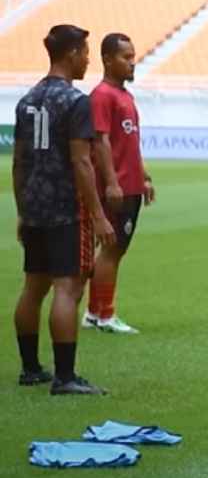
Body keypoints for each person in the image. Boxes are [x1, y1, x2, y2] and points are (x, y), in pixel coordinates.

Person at [12, 24, 115, 395]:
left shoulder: (27, 100)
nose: (88, 58)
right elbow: (82, 163)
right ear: (71, 53)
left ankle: (29, 369)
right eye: (85, 52)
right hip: (66, 207)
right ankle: (65, 377)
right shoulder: (75, 101)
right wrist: (99, 215)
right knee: (68, 288)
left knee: (33, 286)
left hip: (35, 205)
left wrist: (22, 210)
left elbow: (19, 163)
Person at [84, 33, 155, 334]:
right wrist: (112, 184)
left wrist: (145, 176)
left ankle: (92, 313)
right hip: (119, 188)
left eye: (133, 56)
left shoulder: (125, 96)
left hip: (131, 184)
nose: (131, 62)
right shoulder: (102, 95)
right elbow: (99, 142)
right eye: (126, 57)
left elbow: (129, 142)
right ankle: (105, 315)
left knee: (114, 250)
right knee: (112, 250)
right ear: (107, 59)